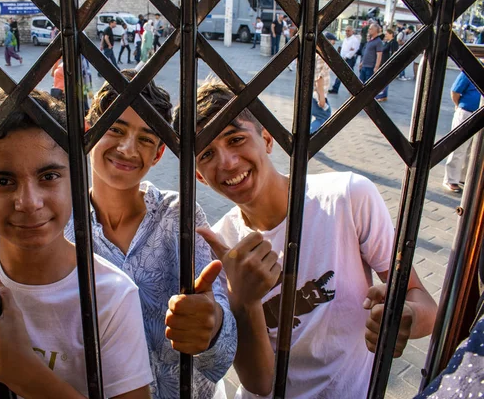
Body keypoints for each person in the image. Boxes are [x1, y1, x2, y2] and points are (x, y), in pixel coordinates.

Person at [0, 71, 237, 399]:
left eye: (146, 138)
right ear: (89, 132)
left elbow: (221, 332)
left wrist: (213, 325)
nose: (128, 149)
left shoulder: (178, 217)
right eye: (115, 129)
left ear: (160, 153)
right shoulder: (47, 219)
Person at [186, 79, 438, 399]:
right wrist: (243, 300)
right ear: (198, 176)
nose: (227, 162)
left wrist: (407, 318)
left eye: (235, 139)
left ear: (266, 139)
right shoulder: (220, 246)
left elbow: (423, 301)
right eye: (207, 154)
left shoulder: (348, 197)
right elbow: (259, 383)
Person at [443, 71, 482, 193]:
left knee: (474, 150)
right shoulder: (471, 68)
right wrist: (458, 106)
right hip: (466, 112)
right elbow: (455, 91)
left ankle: (463, 178)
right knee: (459, 147)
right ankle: (451, 179)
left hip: (481, 115)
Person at [310, 33, 336, 134]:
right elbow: (319, 78)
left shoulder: (316, 54)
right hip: (316, 93)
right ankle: (308, 138)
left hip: (314, 92)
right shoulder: (321, 56)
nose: (331, 48)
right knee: (324, 116)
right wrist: (322, 97)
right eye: (331, 44)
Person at [329, 25, 360, 94]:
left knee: (349, 75)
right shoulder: (346, 39)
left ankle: (354, 89)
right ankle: (335, 88)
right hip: (343, 58)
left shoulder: (354, 40)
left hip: (349, 59)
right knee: (341, 74)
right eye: (346, 31)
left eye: (348, 31)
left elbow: (353, 50)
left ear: (352, 31)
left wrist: (346, 57)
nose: (347, 32)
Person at [375, 28, 399, 102]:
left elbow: (394, 53)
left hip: (387, 63)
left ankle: (383, 95)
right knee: (382, 79)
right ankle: (383, 95)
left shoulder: (393, 42)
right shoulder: (386, 42)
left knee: (384, 80)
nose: (385, 35)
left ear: (391, 34)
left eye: (387, 34)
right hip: (383, 63)